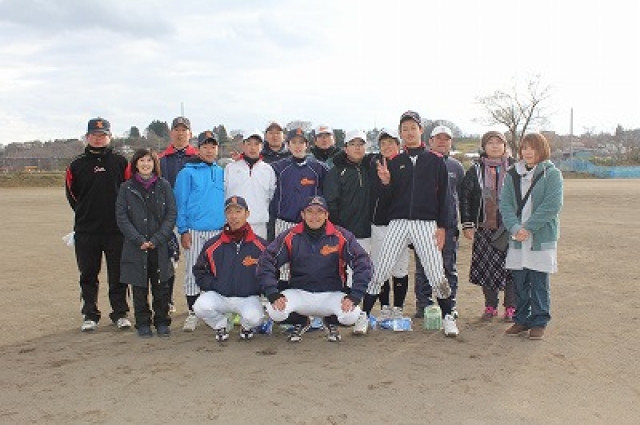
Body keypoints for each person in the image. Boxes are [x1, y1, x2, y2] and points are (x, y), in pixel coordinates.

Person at [369, 110, 459, 337]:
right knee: (381, 268)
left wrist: (443, 227)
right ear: (400, 134)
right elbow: (387, 199)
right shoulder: (395, 161)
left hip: (426, 223)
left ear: (421, 130)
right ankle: (363, 314)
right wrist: (386, 182)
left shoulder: (435, 160)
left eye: (413, 128)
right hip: (398, 222)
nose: (409, 132)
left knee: (436, 273)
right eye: (404, 129)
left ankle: (448, 316)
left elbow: (445, 198)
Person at [257, 196, 372, 343]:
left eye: (319, 212)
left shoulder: (341, 236)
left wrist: (355, 295)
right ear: (303, 214)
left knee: (351, 315)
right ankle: (301, 321)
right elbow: (266, 260)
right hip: (299, 293)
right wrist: (273, 292)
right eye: (310, 211)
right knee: (274, 311)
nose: (314, 216)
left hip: (331, 294)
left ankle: (329, 321)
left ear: (326, 215)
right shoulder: (291, 236)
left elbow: (362, 262)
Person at [65, 117, 131, 332]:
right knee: (88, 275)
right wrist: (87, 213)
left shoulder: (120, 162)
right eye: (94, 135)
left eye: (103, 135)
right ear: (87, 137)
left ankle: (120, 313)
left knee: (118, 275)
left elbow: (129, 190)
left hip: (116, 230)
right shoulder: (76, 164)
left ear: (109, 137)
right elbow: (72, 195)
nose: (98, 138)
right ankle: (90, 314)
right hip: (87, 231)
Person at [501, 133, 563, 340]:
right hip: (517, 237)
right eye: (525, 148)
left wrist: (528, 228)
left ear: (542, 150)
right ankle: (521, 319)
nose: (528, 152)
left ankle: (539, 321)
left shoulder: (551, 174)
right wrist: (514, 227)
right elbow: (505, 204)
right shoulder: (512, 173)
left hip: (540, 236)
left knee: (538, 282)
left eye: (533, 148)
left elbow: (552, 206)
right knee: (520, 281)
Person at [116, 148, 177, 338]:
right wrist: (139, 240)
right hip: (136, 246)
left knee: (161, 286)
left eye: (149, 160)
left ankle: (162, 321)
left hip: (159, 246)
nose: (145, 164)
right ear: (135, 164)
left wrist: (157, 239)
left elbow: (171, 214)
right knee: (139, 287)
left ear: (154, 163)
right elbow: (121, 217)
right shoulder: (126, 188)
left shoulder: (164, 185)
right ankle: (142, 322)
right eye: (141, 160)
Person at [192, 196, 268, 342]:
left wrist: (257, 287)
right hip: (220, 295)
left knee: (255, 318)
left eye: (238, 211)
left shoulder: (261, 246)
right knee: (200, 307)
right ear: (225, 215)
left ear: (247, 214)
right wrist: (216, 285)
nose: (234, 216)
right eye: (229, 212)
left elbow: (271, 273)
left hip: (247, 297)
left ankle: (246, 327)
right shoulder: (212, 245)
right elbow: (199, 271)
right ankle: (221, 325)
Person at [460, 131, 516, 321]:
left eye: (498, 142)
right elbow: (465, 197)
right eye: (490, 142)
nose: (494, 146)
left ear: (505, 146)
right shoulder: (475, 170)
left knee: (512, 268)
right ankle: (490, 306)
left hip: (510, 227)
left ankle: (511, 307)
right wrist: (467, 224)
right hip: (485, 227)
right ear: (484, 147)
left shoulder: (516, 168)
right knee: (487, 268)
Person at [174, 130, 225, 332]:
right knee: (193, 271)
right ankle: (193, 311)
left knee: (217, 271)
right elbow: (180, 203)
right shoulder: (187, 172)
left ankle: (213, 310)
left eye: (213, 147)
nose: (210, 150)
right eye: (205, 147)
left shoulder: (221, 172)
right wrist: (183, 230)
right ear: (198, 149)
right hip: (194, 230)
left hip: (218, 230)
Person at [413, 126, 465, 318]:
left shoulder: (456, 167)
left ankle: (449, 306)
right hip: (423, 225)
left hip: (449, 226)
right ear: (430, 141)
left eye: (446, 139)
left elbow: (461, 196)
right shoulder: (419, 163)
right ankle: (424, 304)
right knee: (423, 268)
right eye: (438, 138)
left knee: (448, 267)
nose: (442, 142)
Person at [360, 129, 410, 326]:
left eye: (391, 142)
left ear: (398, 145)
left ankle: (398, 308)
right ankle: (385, 306)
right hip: (379, 224)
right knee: (379, 267)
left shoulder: (406, 163)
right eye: (383, 143)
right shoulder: (373, 162)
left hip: (400, 223)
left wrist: (389, 182)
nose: (387, 146)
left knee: (400, 268)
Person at [269, 127, 328, 285]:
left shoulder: (318, 168)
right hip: (284, 221)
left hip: (310, 222)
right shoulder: (279, 167)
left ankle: (305, 291)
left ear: (307, 145)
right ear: (288, 145)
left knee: (307, 259)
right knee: (283, 261)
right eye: (294, 142)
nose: (298, 146)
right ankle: (283, 291)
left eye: (301, 142)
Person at [158, 116, 198, 314]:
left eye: (184, 130)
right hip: (168, 219)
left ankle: (197, 302)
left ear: (190, 133)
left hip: (193, 219)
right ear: (171, 132)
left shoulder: (199, 158)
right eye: (177, 129)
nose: (180, 133)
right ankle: (167, 301)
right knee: (168, 262)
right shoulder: (161, 160)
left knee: (195, 262)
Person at [224, 130, 276, 240]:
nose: (253, 148)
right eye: (249, 144)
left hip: (259, 224)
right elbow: (224, 193)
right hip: (235, 223)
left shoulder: (268, 170)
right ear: (243, 145)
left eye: (256, 144)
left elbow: (271, 195)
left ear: (261, 146)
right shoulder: (231, 168)